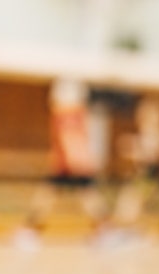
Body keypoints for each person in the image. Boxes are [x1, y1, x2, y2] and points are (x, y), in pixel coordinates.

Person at [16, 78, 107, 247]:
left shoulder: (67, 114)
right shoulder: (77, 113)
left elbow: (70, 137)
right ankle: (103, 230)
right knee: (63, 195)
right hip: (70, 163)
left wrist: (76, 163)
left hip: (71, 165)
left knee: (64, 195)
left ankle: (31, 230)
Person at [111, 94, 159, 233]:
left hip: (149, 174)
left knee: (131, 200)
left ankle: (129, 229)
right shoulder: (149, 132)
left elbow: (153, 155)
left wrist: (133, 150)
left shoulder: (155, 132)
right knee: (130, 199)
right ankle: (129, 228)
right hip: (144, 174)